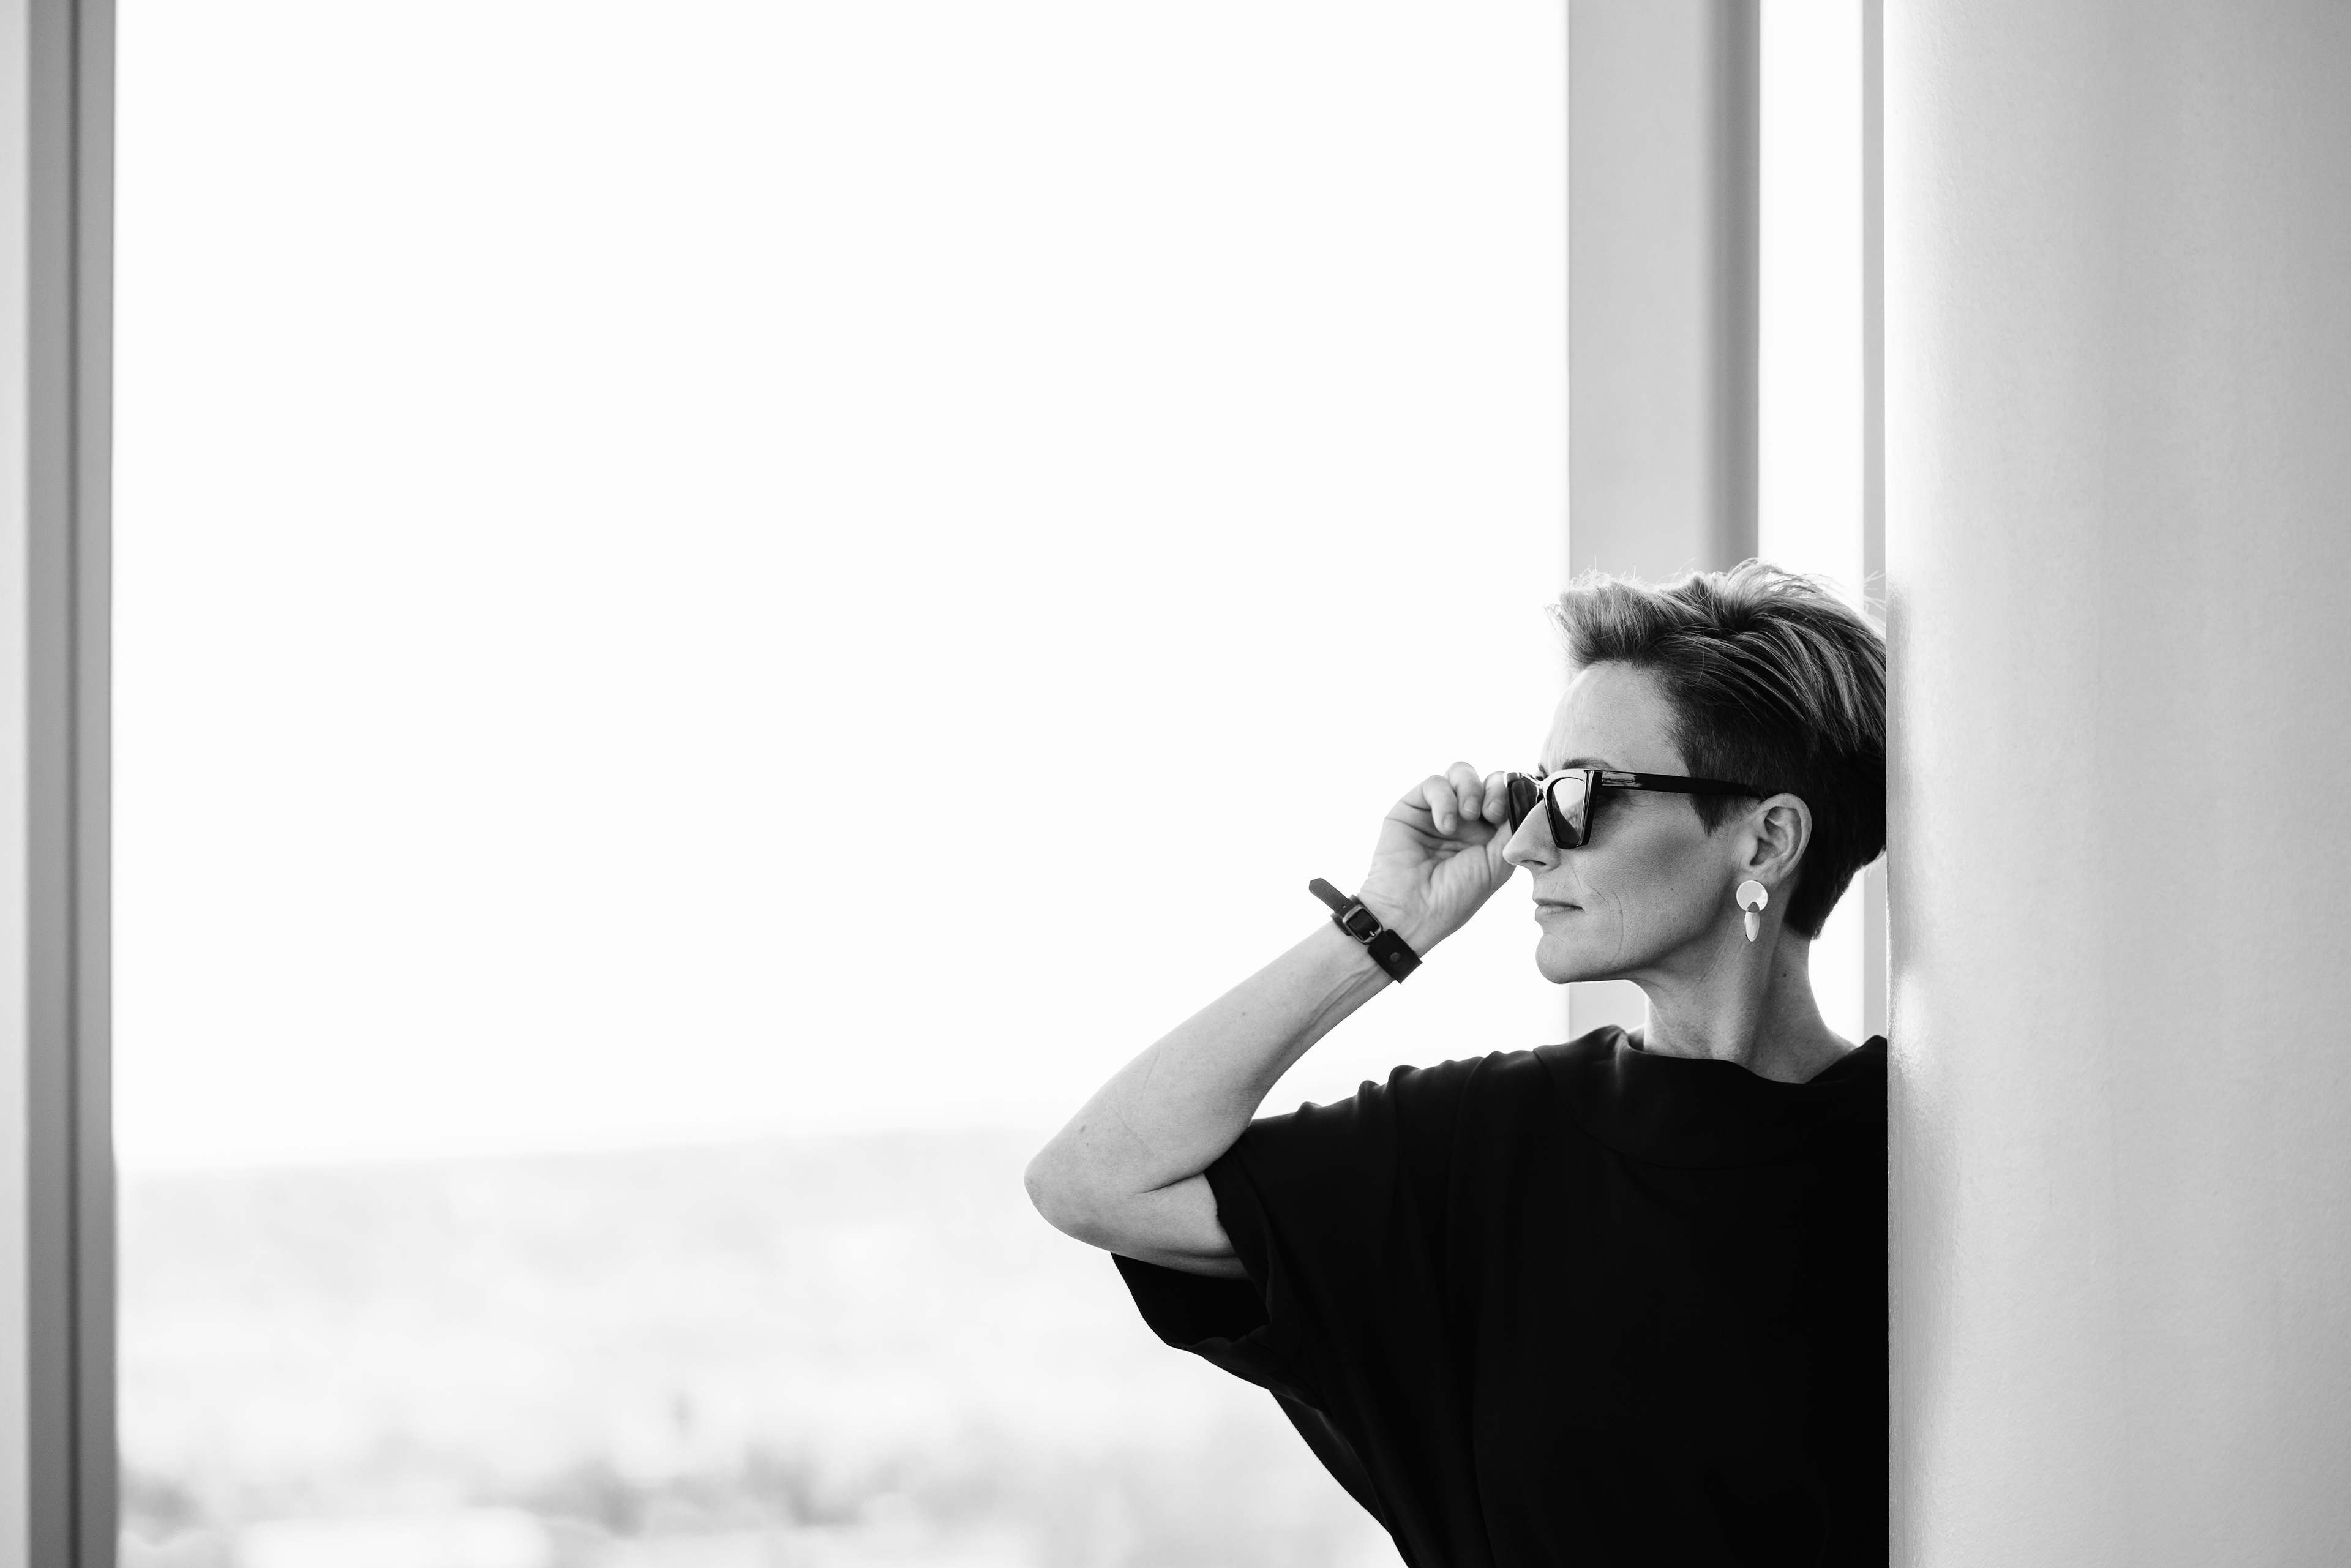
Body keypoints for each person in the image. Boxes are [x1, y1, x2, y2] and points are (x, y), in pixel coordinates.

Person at [1025, 562, 1889, 1567]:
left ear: (1769, 839)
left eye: (1579, 794)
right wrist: (1383, 925)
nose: (1525, 844)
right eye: (1533, 791)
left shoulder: (1936, 1163)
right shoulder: (1484, 1145)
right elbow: (1092, 1180)